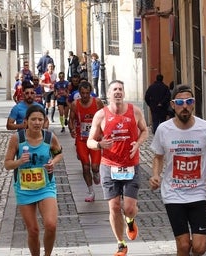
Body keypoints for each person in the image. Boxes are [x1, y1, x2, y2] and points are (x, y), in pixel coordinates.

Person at [149, 84, 206, 256]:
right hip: (173, 193)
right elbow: (158, 157)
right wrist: (155, 175)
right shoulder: (164, 129)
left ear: (193, 103)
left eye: (189, 101)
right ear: (173, 105)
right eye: (180, 102)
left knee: (199, 247)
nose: (185, 106)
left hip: (197, 192)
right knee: (183, 246)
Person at [87, 80, 148, 255]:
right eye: (115, 89)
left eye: (121, 89)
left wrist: (138, 143)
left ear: (124, 93)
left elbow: (144, 131)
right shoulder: (101, 115)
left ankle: (130, 221)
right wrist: (100, 145)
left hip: (131, 165)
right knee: (114, 207)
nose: (118, 92)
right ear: (108, 94)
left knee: (128, 208)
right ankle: (121, 243)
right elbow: (90, 141)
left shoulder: (134, 111)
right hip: (109, 167)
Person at [4, 105, 63, 256]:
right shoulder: (17, 139)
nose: (37, 123)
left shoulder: (50, 138)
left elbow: (59, 153)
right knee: (33, 230)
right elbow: (7, 164)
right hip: (24, 189)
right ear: (26, 121)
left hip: (46, 186)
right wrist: (19, 162)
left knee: (51, 225)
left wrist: (53, 163)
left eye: (40, 119)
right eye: (33, 119)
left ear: (45, 121)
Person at [68, 81, 104, 202]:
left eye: (87, 93)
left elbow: (105, 118)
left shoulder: (97, 102)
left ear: (90, 93)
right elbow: (71, 120)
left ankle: (96, 173)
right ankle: (91, 192)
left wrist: (104, 132)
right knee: (85, 166)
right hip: (82, 139)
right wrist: (72, 129)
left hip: (94, 139)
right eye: (82, 93)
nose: (84, 96)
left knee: (94, 166)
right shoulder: (75, 104)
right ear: (79, 93)